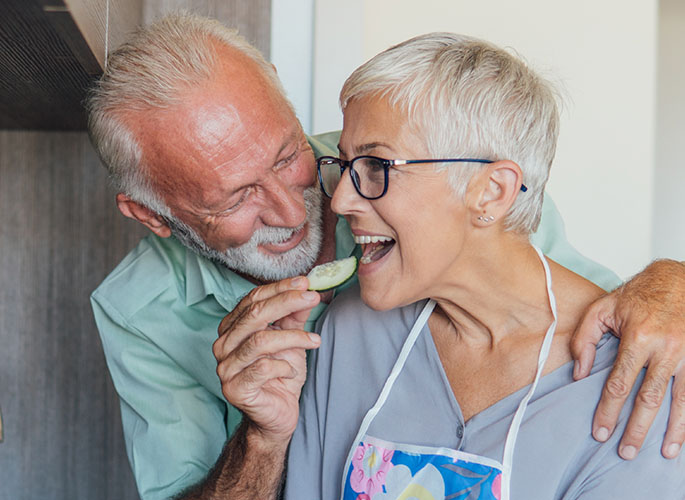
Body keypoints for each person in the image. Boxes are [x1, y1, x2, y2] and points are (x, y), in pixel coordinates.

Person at [86, 13, 685, 500]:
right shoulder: (142, 313)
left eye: (286, 155)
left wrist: (672, 281)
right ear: (153, 217)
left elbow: (592, 304)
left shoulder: (461, 184)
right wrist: (261, 441)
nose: (311, 207)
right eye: (237, 196)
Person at [277, 32, 685, 499]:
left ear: (492, 190)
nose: (343, 200)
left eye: (376, 166)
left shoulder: (636, 380)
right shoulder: (352, 332)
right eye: (345, 165)